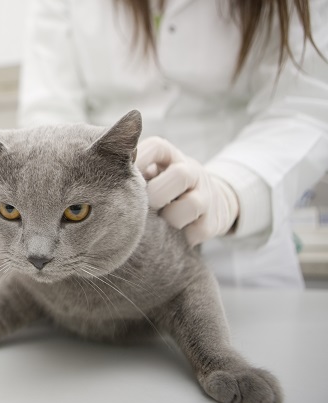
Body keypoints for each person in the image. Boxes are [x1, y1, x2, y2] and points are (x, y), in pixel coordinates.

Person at [19, 0, 328, 288]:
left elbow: (304, 105)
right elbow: (49, 111)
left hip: (241, 261)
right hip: (100, 263)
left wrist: (231, 190)